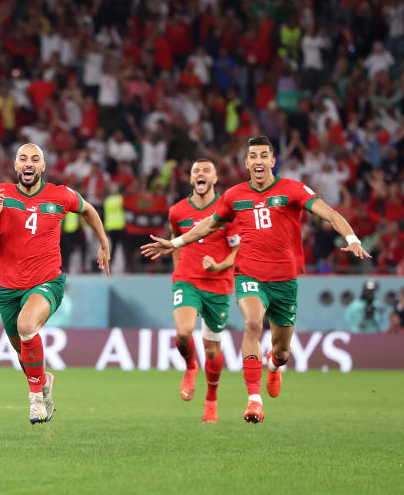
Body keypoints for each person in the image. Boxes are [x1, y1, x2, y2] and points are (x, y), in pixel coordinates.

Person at [142, 135, 371, 424]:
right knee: (252, 322)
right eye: (253, 156)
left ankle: (274, 367)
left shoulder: (293, 189)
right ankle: (254, 401)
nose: (259, 160)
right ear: (247, 162)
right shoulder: (235, 196)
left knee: (282, 350)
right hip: (249, 273)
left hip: (285, 280)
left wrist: (350, 237)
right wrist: (174, 244)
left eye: (264, 155)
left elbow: (329, 213)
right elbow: (210, 225)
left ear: (272, 161)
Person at [0, 143, 112, 425]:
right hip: (7, 287)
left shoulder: (60, 194)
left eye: (35, 159)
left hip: (47, 281)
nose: (28, 163)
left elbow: (89, 210)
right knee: (22, 351)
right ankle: (43, 380)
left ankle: (36, 401)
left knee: (27, 326)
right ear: (16, 166)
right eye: (23, 159)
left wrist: (103, 244)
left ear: (43, 167)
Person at [166, 159, 240, 423]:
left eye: (206, 170)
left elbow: (237, 250)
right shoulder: (177, 211)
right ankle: (190, 366)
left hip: (219, 285)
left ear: (215, 178)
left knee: (212, 350)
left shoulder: (226, 210)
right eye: (195, 170)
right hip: (187, 280)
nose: (200, 174)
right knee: (184, 333)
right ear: (190, 179)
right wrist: (178, 273)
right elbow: (175, 242)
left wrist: (219, 265)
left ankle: (211, 400)